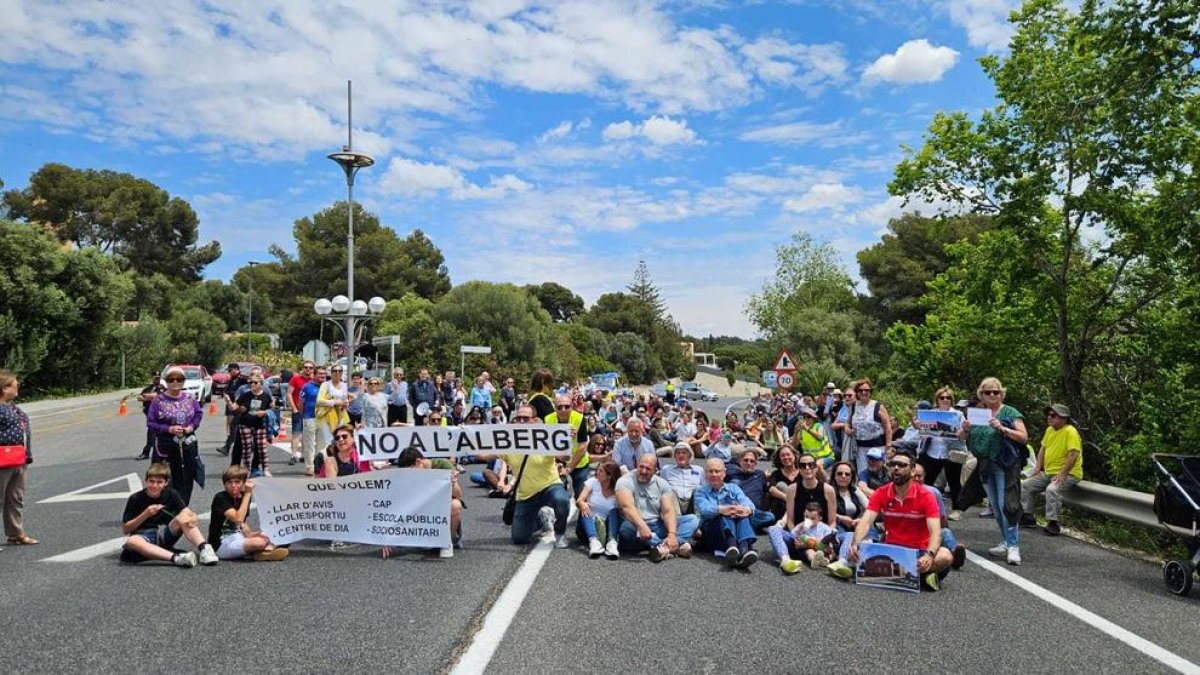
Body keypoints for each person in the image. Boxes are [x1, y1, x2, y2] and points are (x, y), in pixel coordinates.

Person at [843, 449, 954, 591]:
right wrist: (855, 544)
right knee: (857, 550)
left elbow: (936, 531)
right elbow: (866, 521)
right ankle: (920, 577)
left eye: (902, 465)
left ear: (913, 471)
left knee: (945, 556)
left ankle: (905, 574)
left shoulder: (927, 495)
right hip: (892, 550)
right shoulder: (881, 493)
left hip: (918, 552)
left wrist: (929, 554)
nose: (896, 468)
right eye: (893, 464)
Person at [478, 404, 572, 548]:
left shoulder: (545, 437)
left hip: (549, 485)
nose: (521, 421)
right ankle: (543, 519)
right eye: (518, 418)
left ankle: (559, 534)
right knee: (519, 538)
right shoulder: (508, 441)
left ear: (534, 420)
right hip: (526, 495)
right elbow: (484, 456)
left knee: (561, 500)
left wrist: (566, 441)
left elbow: (564, 457)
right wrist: (466, 442)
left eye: (525, 418)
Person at [959, 376, 1027, 565]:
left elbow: (1023, 437)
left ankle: (1014, 546)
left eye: (995, 392)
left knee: (1009, 506)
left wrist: (1003, 429)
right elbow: (962, 437)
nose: (992, 395)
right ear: (981, 394)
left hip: (1005, 466)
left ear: (1001, 393)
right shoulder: (977, 413)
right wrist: (964, 429)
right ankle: (1005, 541)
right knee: (996, 508)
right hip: (985, 465)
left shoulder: (1010, 412)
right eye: (987, 392)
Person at [120, 463, 216, 567]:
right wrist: (145, 514)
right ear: (145, 481)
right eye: (151, 481)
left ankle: (204, 548)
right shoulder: (135, 498)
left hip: (164, 534)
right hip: (144, 536)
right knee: (132, 541)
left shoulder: (171, 494)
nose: (154, 486)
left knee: (184, 517)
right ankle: (176, 558)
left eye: (159, 482)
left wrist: (192, 516)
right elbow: (126, 529)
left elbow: (186, 511)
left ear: (166, 483)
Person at [615, 453, 699, 562]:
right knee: (625, 530)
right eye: (641, 467)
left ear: (655, 470)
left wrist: (672, 534)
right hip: (635, 525)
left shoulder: (662, 484)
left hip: (657, 525)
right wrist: (642, 526)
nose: (644, 471)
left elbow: (668, 511)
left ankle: (664, 547)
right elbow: (627, 507)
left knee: (692, 519)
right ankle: (673, 547)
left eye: (648, 469)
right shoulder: (625, 481)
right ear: (637, 465)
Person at [1020, 403, 1083, 536]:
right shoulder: (1049, 430)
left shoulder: (1070, 431)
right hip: (1049, 472)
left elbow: (1073, 454)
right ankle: (1028, 516)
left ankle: (1053, 523)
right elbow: (1043, 449)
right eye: (1048, 415)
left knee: (1052, 489)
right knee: (1026, 485)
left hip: (1069, 473)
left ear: (1064, 418)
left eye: (1053, 415)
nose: (1049, 417)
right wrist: (1037, 467)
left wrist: (1063, 473)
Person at [390, 447, 463, 559]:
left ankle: (447, 541)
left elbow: (459, 495)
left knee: (456, 505)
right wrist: (385, 536)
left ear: (418, 462)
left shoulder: (441, 464)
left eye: (410, 471)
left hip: (441, 508)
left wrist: (452, 483)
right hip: (422, 510)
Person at [146, 366, 203, 506]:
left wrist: (191, 427)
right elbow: (151, 423)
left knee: (186, 479)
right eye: (171, 379)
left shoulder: (190, 398)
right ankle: (166, 510)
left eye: (179, 379)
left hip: (187, 445)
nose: (175, 382)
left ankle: (182, 509)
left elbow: (198, 414)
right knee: (166, 480)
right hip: (165, 447)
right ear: (166, 381)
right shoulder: (158, 401)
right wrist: (168, 428)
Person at [208, 465, 288, 561]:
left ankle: (261, 553)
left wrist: (253, 534)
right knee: (259, 542)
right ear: (224, 484)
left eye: (237, 482)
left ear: (243, 483)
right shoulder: (221, 498)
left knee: (278, 533)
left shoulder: (243, 496)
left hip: (237, 537)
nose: (233, 485)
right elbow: (238, 519)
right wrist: (248, 493)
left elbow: (242, 524)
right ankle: (265, 550)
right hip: (221, 545)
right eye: (229, 482)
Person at [695, 458, 760, 568]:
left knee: (742, 514)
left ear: (724, 473)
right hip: (712, 529)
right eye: (710, 471)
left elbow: (747, 502)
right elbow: (704, 509)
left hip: (734, 524)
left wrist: (746, 510)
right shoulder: (700, 491)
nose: (714, 474)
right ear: (706, 474)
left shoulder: (733, 488)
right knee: (725, 514)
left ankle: (743, 551)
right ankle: (734, 546)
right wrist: (722, 509)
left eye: (717, 471)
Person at [0, 369, 36, 546]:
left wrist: (27, 456)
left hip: (19, 459)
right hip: (2, 461)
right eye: (15, 385)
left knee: (16, 497)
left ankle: (15, 534)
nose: (17, 388)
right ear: (4, 388)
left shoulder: (13, 408)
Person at [921, 386, 966, 512]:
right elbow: (923, 432)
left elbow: (963, 437)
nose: (945, 400)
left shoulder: (958, 414)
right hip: (933, 450)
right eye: (942, 398)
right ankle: (924, 505)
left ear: (952, 400)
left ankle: (957, 509)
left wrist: (963, 431)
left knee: (954, 482)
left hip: (952, 452)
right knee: (927, 480)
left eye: (948, 398)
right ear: (937, 400)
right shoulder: (930, 414)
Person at [913, 462, 966, 569]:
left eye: (920, 476)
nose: (917, 479)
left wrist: (942, 534)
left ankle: (955, 556)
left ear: (924, 478)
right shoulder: (899, 491)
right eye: (914, 476)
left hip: (929, 531)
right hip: (908, 534)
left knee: (945, 532)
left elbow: (942, 519)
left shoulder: (933, 492)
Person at [767, 501, 835, 575]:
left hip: (812, 549)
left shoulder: (824, 528)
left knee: (811, 552)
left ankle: (818, 561)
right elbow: (793, 537)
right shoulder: (801, 526)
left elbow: (827, 544)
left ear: (820, 518)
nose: (809, 520)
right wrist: (798, 535)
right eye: (806, 517)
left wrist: (809, 544)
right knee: (772, 528)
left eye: (813, 518)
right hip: (798, 548)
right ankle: (785, 559)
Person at [844, 378, 893, 477]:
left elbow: (888, 427)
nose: (863, 392)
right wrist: (847, 429)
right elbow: (848, 422)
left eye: (867, 390)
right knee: (863, 474)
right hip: (860, 448)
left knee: (879, 475)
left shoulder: (878, 407)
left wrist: (888, 447)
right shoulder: (853, 407)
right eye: (860, 390)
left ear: (870, 392)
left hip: (878, 447)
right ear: (857, 392)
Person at [576, 460, 622, 559]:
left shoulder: (619, 489)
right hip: (588, 525)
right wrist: (582, 504)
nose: (597, 473)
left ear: (609, 476)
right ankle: (594, 541)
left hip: (608, 527)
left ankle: (612, 543)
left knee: (615, 511)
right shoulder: (592, 482)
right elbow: (579, 500)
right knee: (585, 507)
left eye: (601, 471)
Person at [724, 448, 777, 532]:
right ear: (740, 461)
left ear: (755, 464)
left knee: (770, 517)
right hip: (736, 509)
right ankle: (746, 526)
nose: (749, 463)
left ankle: (740, 525)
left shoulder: (760, 474)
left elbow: (764, 493)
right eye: (746, 460)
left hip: (753, 513)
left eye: (752, 461)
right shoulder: (730, 473)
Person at [547, 394, 590, 498]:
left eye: (567, 406)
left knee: (581, 496)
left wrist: (570, 468)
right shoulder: (548, 419)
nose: (563, 410)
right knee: (559, 496)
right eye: (559, 407)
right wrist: (557, 458)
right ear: (554, 408)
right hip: (558, 461)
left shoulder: (579, 418)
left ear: (572, 406)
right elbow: (547, 444)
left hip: (579, 461)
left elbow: (583, 446)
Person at [235, 373, 273, 477]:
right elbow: (234, 407)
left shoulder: (266, 395)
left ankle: (266, 469)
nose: (252, 384)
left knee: (262, 447)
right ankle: (247, 470)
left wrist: (265, 412)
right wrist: (237, 407)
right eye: (250, 382)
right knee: (247, 447)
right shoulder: (245, 394)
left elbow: (272, 407)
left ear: (261, 384)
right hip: (245, 423)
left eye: (255, 382)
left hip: (259, 424)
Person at [659, 442, 703, 515]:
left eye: (684, 453)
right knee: (669, 490)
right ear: (674, 456)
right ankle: (676, 520)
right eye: (678, 453)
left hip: (692, 503)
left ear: (689, 455)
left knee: (699, 489)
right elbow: (661, 490)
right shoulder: (666, 469)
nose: (681, 455)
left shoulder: (699, 470)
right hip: (674, 503)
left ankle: (699, 521)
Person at [298, 367, 326, 477]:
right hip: (310, 418)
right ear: (314, 375)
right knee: (309, 444)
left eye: (324, 374)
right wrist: (303, 415)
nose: (322, 376)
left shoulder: (328, 387)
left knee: (322, 445)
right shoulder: (307, 387)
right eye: (319, 374)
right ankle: (309, 467)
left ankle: (319, 466)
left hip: (324, 419)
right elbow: (301, 402)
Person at [316, 365, 351, 450]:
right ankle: (328, 461)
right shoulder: (326, 385)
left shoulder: (344, 385)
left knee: (340, 440)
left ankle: (338, 461)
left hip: (341, 416)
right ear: (331, 373)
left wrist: (346, 403)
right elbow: (319, 400)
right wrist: (334, 402)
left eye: (339, 371)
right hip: (328, 416)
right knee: (329, 441)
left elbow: (345, 399)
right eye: (335, 371)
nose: (337, 373)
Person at [286, 361, 314, 465]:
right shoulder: (296, 379)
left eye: (310, 368)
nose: (308, 369)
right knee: (296, 433)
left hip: (310, 411)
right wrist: (294, 408)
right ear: (303, 368)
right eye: (306, 367)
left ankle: (303, 455)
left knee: (307, 434)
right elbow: (289, 393)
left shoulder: (314, 380)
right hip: (298, 410)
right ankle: (293, 455)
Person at [220, 363, 247, 458]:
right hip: (232, 404)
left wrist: (230, 394)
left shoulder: (243, 379)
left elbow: (244, 392)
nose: (229, 373)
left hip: (240, 406)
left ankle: (227, 447)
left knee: (235, 426)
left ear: (236, 369)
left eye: (230, 370)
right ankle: (227, 447)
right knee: (234, 427)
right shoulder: (232, 379)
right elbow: (228, 389)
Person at [767, 445, 801, 521]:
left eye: (788, 454)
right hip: (783, 506)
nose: (786, 457)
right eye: (782, 456)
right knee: (780, 486)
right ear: (779, 459)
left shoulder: (802, 472)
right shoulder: (776, 473)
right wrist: (786, 498)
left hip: (800, 503)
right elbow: (771, 489)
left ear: (794, 456)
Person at [135, 375, 165, 459]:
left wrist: (147, 397)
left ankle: (149, 452)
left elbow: (157, 396)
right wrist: (148, 397)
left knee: (155, 432)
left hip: (160, 413)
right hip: (149, 412)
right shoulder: (148, 388)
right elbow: (139, 397)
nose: (156, 380)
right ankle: (148, 452)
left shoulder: (163, 388)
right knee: (151, 432)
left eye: (158, 378)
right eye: (155, 378)